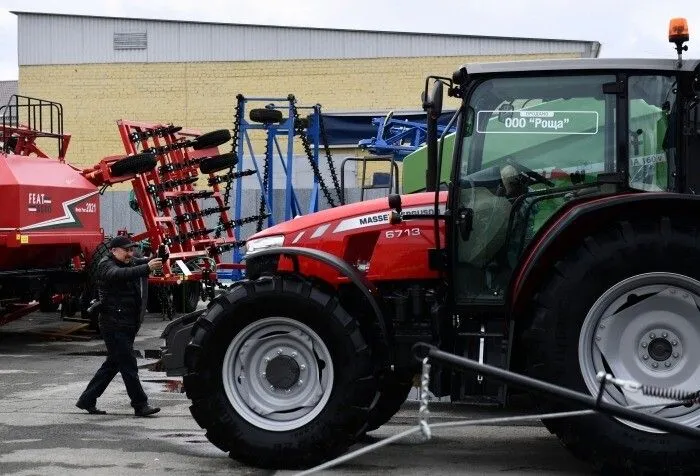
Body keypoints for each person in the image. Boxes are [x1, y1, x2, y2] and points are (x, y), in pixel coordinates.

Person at [76, 236, 164, 417]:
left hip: (126, 322)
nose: (130, 254)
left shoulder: (127, 261)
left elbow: (145, 262)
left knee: (114, 363)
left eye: (132, 250)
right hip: (113, 324)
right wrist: (147, 268)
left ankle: (87, 399)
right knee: (128, 364)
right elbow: (119, 274)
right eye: (127, 250)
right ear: (114, 250)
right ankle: (140, 404)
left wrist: (162, 256)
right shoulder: (105, 265)